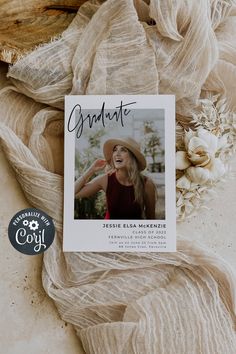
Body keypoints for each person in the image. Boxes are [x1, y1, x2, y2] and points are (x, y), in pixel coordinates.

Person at [75, 137, 156, 219]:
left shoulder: (146, 183)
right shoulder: (106, 179)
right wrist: (91, 170)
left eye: (123, 150)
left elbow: (151, 217)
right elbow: (73, 193)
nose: (117, 153)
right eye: (115, 150)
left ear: (133, 157)